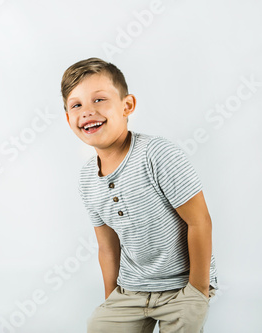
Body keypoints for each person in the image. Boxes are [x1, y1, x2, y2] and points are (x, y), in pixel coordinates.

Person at [60, 57, 219, 333]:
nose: (87, 111)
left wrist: (197, 292)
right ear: (68, 118)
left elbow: (200, 221)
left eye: (99, 100)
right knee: (98, 326)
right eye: (77, 105)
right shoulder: (87, 178)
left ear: (127, 105)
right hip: (131, 289)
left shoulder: (156, 154)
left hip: (181, 286)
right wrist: (112, 299)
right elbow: (107, 246)